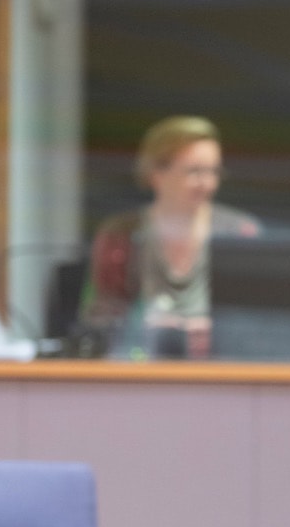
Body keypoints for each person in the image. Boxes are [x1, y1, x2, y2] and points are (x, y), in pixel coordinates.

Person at [78, 115, 261, 359]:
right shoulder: (122, 233)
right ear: (156, 173)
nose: (206, 183)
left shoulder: (241, 232)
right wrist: (144, 324)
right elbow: (100, 317)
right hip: (142, 365)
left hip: (221, 367)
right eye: (194, 172)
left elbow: (260, 321)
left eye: (213, 172)